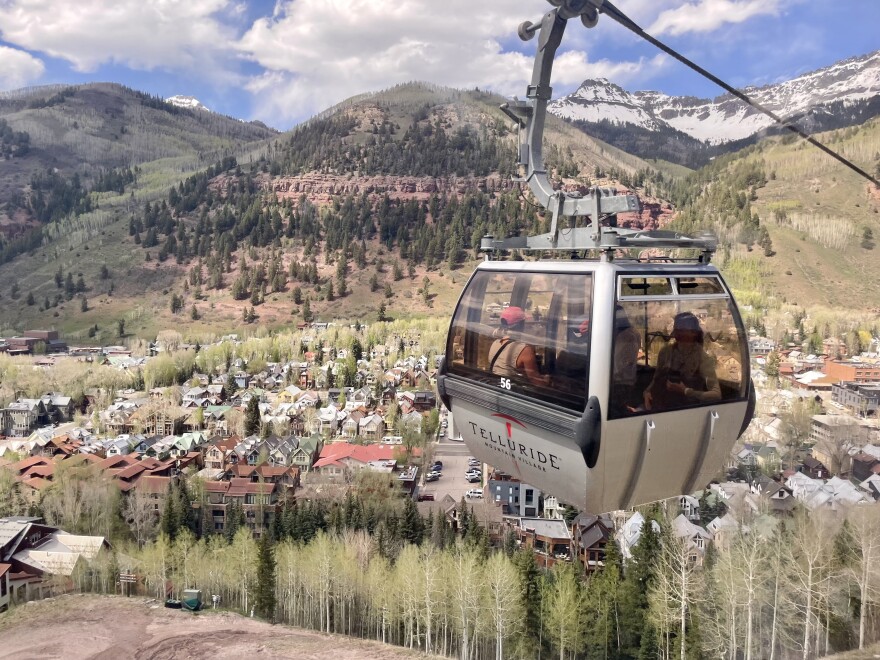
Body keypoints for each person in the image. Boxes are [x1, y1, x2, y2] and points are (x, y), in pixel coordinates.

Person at [643, 311, 721, 410]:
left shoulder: (703, 358)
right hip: (661, 407)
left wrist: (686, 391)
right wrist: (646, 392)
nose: (678, 333)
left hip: (687, 410)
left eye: (682, 330)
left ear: (694, 333)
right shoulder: (665, 352)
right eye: (677, 329)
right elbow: (656, 379)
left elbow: (716, 394)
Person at [489, 306, 550, 387]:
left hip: (497, 387)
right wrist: (547, 381)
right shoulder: (525, 350)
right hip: (515, 393)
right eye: (524, 322)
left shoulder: (495, 343)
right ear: (520, 325)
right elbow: (537, 382)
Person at [610, 305, 642, 415]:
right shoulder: (618, 334)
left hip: (622, 382)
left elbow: (622, 364)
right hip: (615, 380)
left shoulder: (628, 337)